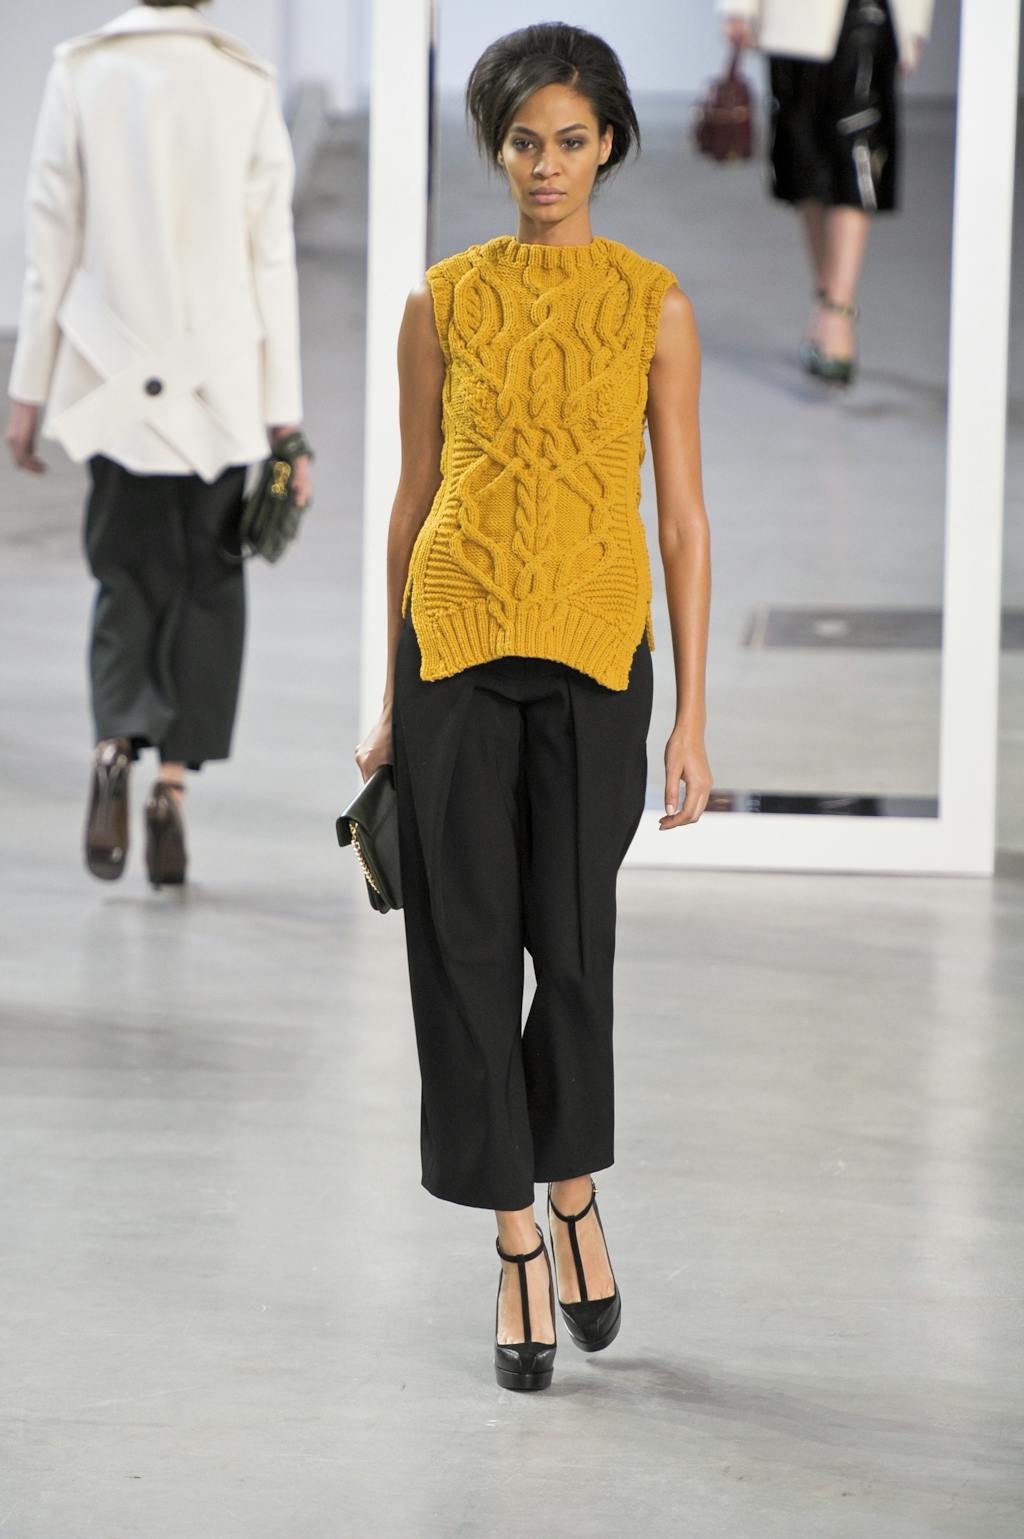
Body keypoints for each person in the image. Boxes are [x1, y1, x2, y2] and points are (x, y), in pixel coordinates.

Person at [354, 23, 712, 1392]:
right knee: (459, 951)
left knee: (569, 951)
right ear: (496, 149)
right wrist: (391, 690)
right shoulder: (443, 301)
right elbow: (413, 499)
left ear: (608, 142)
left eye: (569, 140)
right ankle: (514, 1235)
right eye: (522, 142)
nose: (546, 165)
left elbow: (680, 518)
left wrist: (691, 717)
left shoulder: (652, 306)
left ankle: (572, 1190)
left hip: (595, 657)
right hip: (453, 647)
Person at [4, 0, 312, 888]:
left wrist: (28, 389)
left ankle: (113, 746)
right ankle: (171, 788)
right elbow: (270, 256)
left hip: (108, 378)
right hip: (220, 384)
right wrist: (284, 418)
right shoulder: (244, 81)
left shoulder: (80, 71)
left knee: (123, 576)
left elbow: (51, 240)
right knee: (208, 585)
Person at [718, 0, 934, 384]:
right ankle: (827, 300)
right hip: (793, 16)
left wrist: (913, 24)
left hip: (870, 11)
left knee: (858, 147)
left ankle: (837, 311)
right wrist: (737, 7)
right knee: (801, 159)